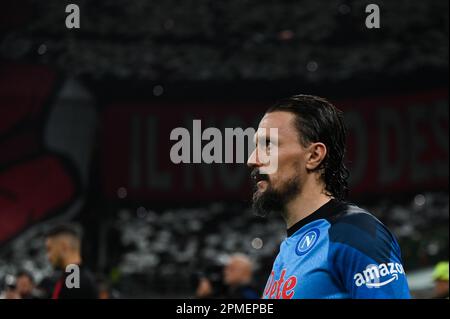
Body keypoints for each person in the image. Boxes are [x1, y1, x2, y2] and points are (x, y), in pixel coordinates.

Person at [247, 94, 410, 299]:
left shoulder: (354, 233)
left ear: (314, 156)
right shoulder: (287, 250)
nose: (252, 159)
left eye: (268, 145)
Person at [45, 223, 98, 299]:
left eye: (49, 249)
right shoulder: (74, 277)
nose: (48, 256)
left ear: (64, 246)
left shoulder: (74, 281)